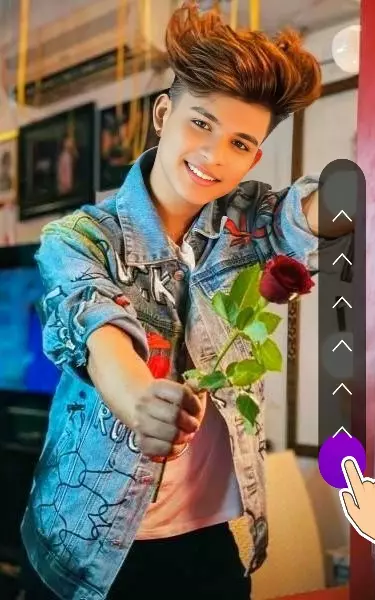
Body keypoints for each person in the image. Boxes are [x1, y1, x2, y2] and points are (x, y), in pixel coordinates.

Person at [20, 3, 353, 600]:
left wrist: (373, 163)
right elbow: (96, 325)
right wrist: (138, 400)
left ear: (254, 157)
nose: (213, 155)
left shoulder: (249, 220)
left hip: (210, 541)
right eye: (201, 123)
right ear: (163, 114)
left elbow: (315, 214)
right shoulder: (78, 237)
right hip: (89, 544)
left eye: (239, 143)